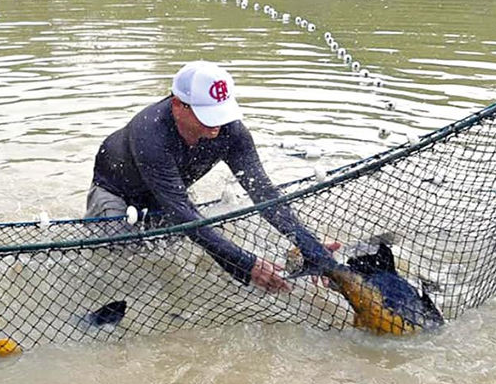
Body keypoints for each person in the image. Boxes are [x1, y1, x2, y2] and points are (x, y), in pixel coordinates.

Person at [86, 60, 332, 292]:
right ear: (177, 105)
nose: (217, 125)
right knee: (118, 262)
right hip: (117, 192)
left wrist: (310, 246)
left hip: (169, 195)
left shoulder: (231, 132)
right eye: (207, 114)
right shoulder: (150, 133)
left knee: (174, 254)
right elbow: (181, 211)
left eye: (220, 112)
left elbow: (264, 193)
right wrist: (244, 263)